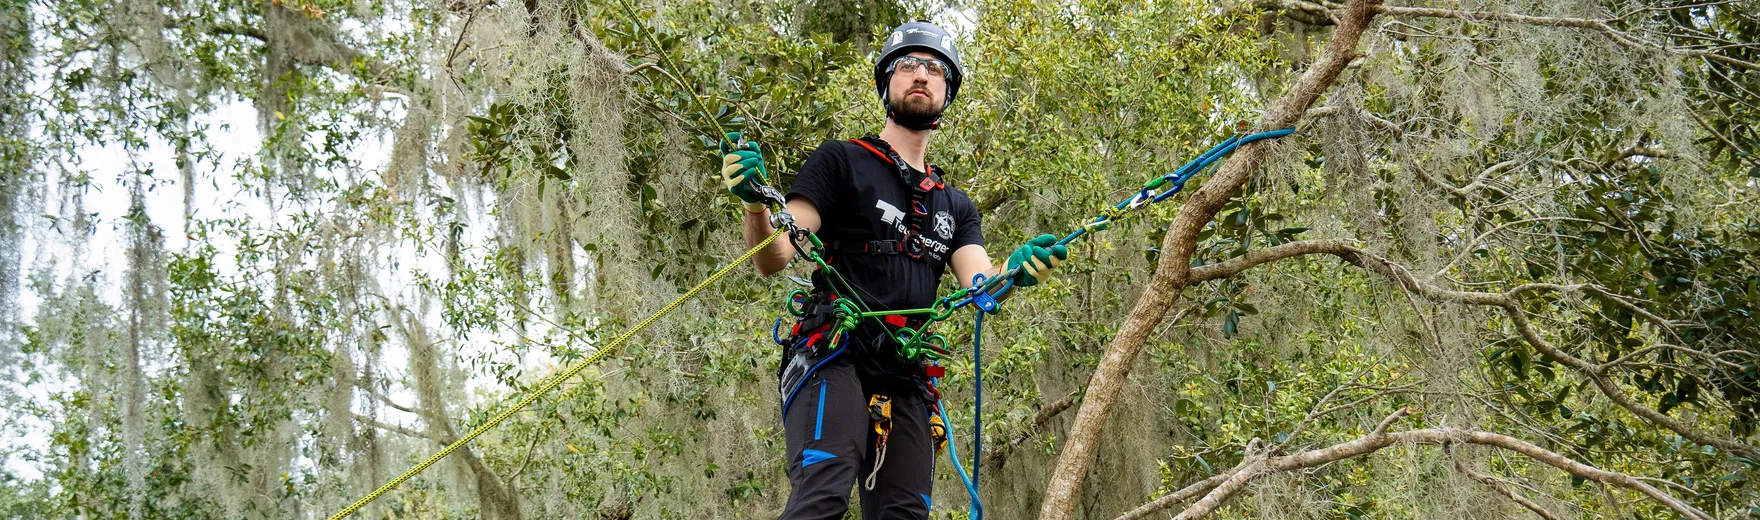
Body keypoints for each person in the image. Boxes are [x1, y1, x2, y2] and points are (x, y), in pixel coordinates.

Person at [716, 20, 1069, 520]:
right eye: (908, 65)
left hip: (904, 375)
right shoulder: (841, 162)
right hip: (832, 355)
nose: (921, 74)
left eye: (935, 68)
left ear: (947, 92)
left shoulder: (956, 207)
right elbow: (774, 256)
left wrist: (1017, 269)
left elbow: (980, 285)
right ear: (888, 83)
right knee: (823, 489)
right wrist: (756, 207)